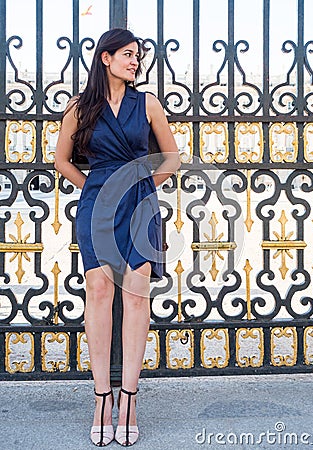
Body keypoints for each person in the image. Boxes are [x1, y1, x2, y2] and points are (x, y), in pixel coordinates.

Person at [55, 28, 180, 447]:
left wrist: (141, 182)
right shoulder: (79, 107)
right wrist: (96, 188)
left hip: (140, 206)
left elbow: (172, 157)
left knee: (136, 294)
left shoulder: (147, 104)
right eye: (128, 54)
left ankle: (129, 398)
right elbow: (60, 160)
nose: (135, 61)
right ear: (105, 58)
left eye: (138, 56)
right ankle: (101, 398)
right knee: (99, 290)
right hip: (98, 206)